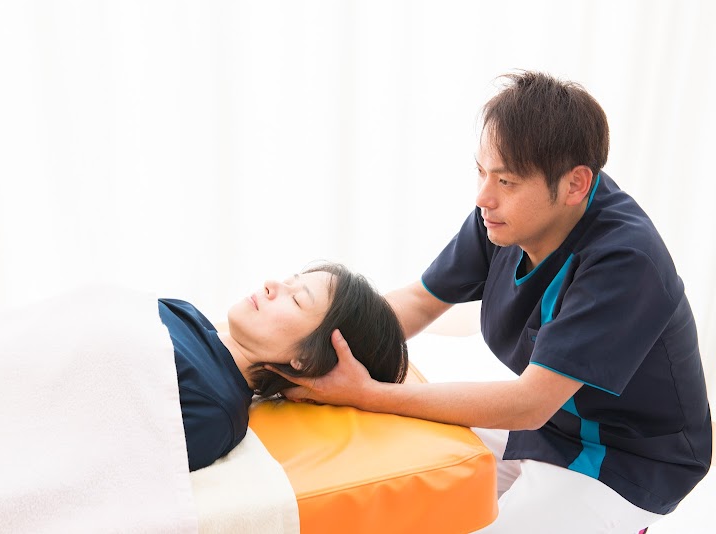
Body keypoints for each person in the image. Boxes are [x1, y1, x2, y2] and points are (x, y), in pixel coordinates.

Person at [272, 72, 712, 532]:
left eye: (505, 180)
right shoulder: (504, 218)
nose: (483, 197)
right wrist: (313, 347)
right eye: (481, 172)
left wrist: (371, 395)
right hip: (547, 426)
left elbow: (529, 403)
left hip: (630, 461)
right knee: (400, 475)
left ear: (576, 185)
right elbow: (421, 300)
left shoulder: (626, 261)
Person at [158, 261, 408, 471]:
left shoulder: (212, 410)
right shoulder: (186, 312)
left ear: (306, 361)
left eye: (297, 299)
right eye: (289, 281)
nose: (271, 284)